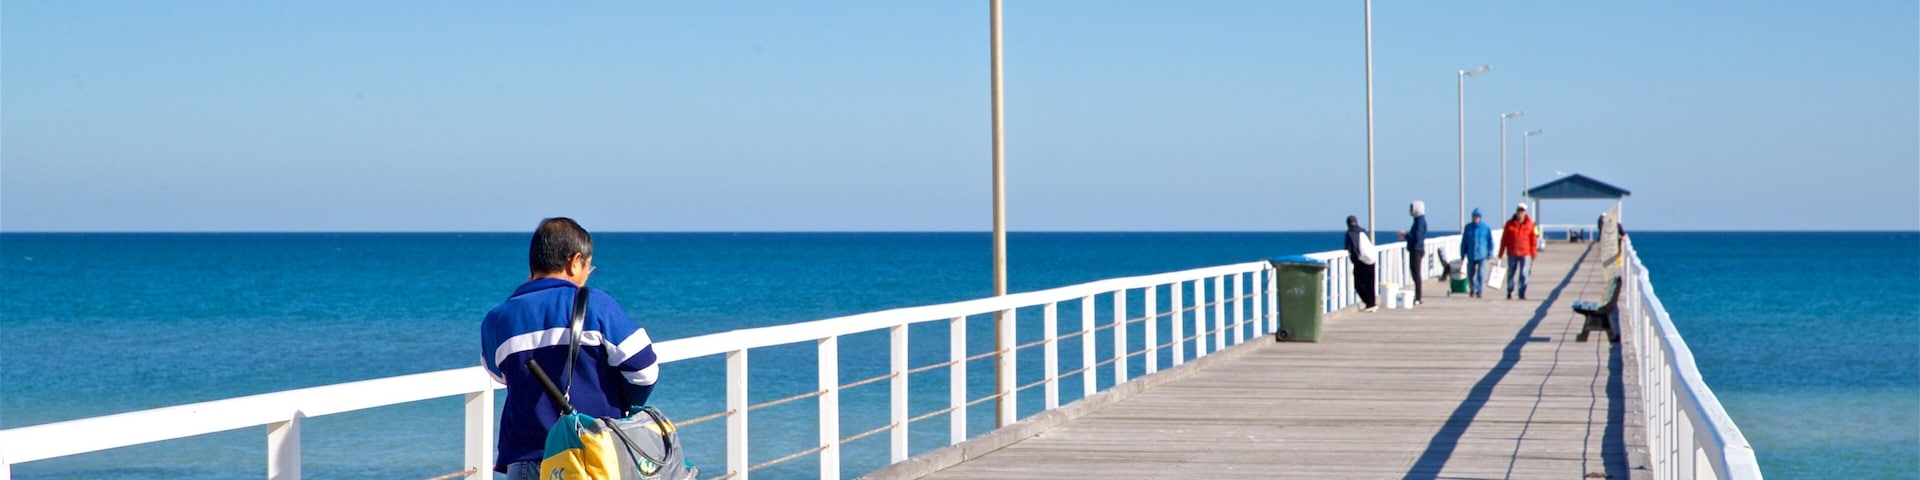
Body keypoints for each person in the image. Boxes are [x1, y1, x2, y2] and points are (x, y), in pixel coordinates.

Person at [481, 218, 660, 478]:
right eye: (588, 267)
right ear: (574, 261)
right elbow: (645, 370)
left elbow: (498, 374)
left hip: (526, 458)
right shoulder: (596, 305)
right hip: (590, 455)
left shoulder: (498, 319)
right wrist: (624, 402)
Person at [1499, 203, 1539, 300]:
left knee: (1524, 273)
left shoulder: (1531, 224)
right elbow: (1504, 239)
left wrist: (1534, 253)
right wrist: (1501, 252)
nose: (1520, 213)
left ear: (1525, 212)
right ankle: (1510, 291)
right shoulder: (1509, 224)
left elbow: (1534, 239)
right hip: (1512, 252)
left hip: (1525, 253)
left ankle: (1522, 292)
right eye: (1519, 210)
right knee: (1511, 273)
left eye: (1522, 211)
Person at [1395, 200, 1428, 305]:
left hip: (1416, 250)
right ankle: (1418, 296)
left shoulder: (1420, 221)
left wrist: (1405, 235)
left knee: (1416, 273)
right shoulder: (1419, 220)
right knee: (1415, 272)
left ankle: (1418, 297)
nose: (1410, 211)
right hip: (1417, 249)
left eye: (1411, 208)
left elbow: (1417, 237)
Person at [1344, 215, 1379, 312]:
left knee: (1359, 285)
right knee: (1370, 284)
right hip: (1371, 259)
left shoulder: (1350, 234)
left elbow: (1350, 248)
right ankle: (1372, 303)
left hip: (1361, 262)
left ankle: (1369, 303)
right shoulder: (1362, 232)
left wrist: (1355, 260)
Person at [1460, 208, 1494, 298]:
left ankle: (1479, 290)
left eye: (1477, 216)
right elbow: (1464, 242)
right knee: (1470, 274)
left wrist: (1490, 253)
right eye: (1474, 216)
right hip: (1471, 254)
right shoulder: (1468, 227)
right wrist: (1462, 254)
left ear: (1480, 217)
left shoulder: (1485, 228)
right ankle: (1472, 289)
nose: (1476, 218)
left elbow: (1490, 241)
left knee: (1481, 274)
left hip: (1482, 255)